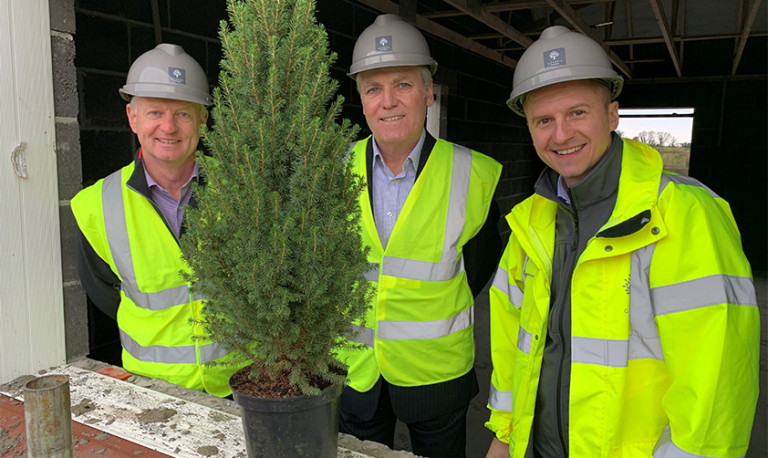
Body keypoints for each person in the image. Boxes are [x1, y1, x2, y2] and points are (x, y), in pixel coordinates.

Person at [485, 26, 759, 458]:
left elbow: (716, 384)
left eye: (577, 113)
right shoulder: (532, 221)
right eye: (544, 120)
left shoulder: (684, 214)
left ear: (612, 115)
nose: (560, 135)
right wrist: (504, 434)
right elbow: (513, 348)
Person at [335, 14, 503, 458]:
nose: (388, 101)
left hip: (436, 374)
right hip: (356, 371)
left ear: (429, 92)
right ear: (362, 100)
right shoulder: (328, 172)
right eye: (373, 88)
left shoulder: (474, 174)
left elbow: (481, 264)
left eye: (403, 85)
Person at [72, 44, 240, 397]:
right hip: (150, 391)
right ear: (132, 118)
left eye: (182, 114)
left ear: (203, 120)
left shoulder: (241, 191)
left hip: (243, 384)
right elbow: (105, 293)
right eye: (154, 113)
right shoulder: (96, 206)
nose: (168, 127)